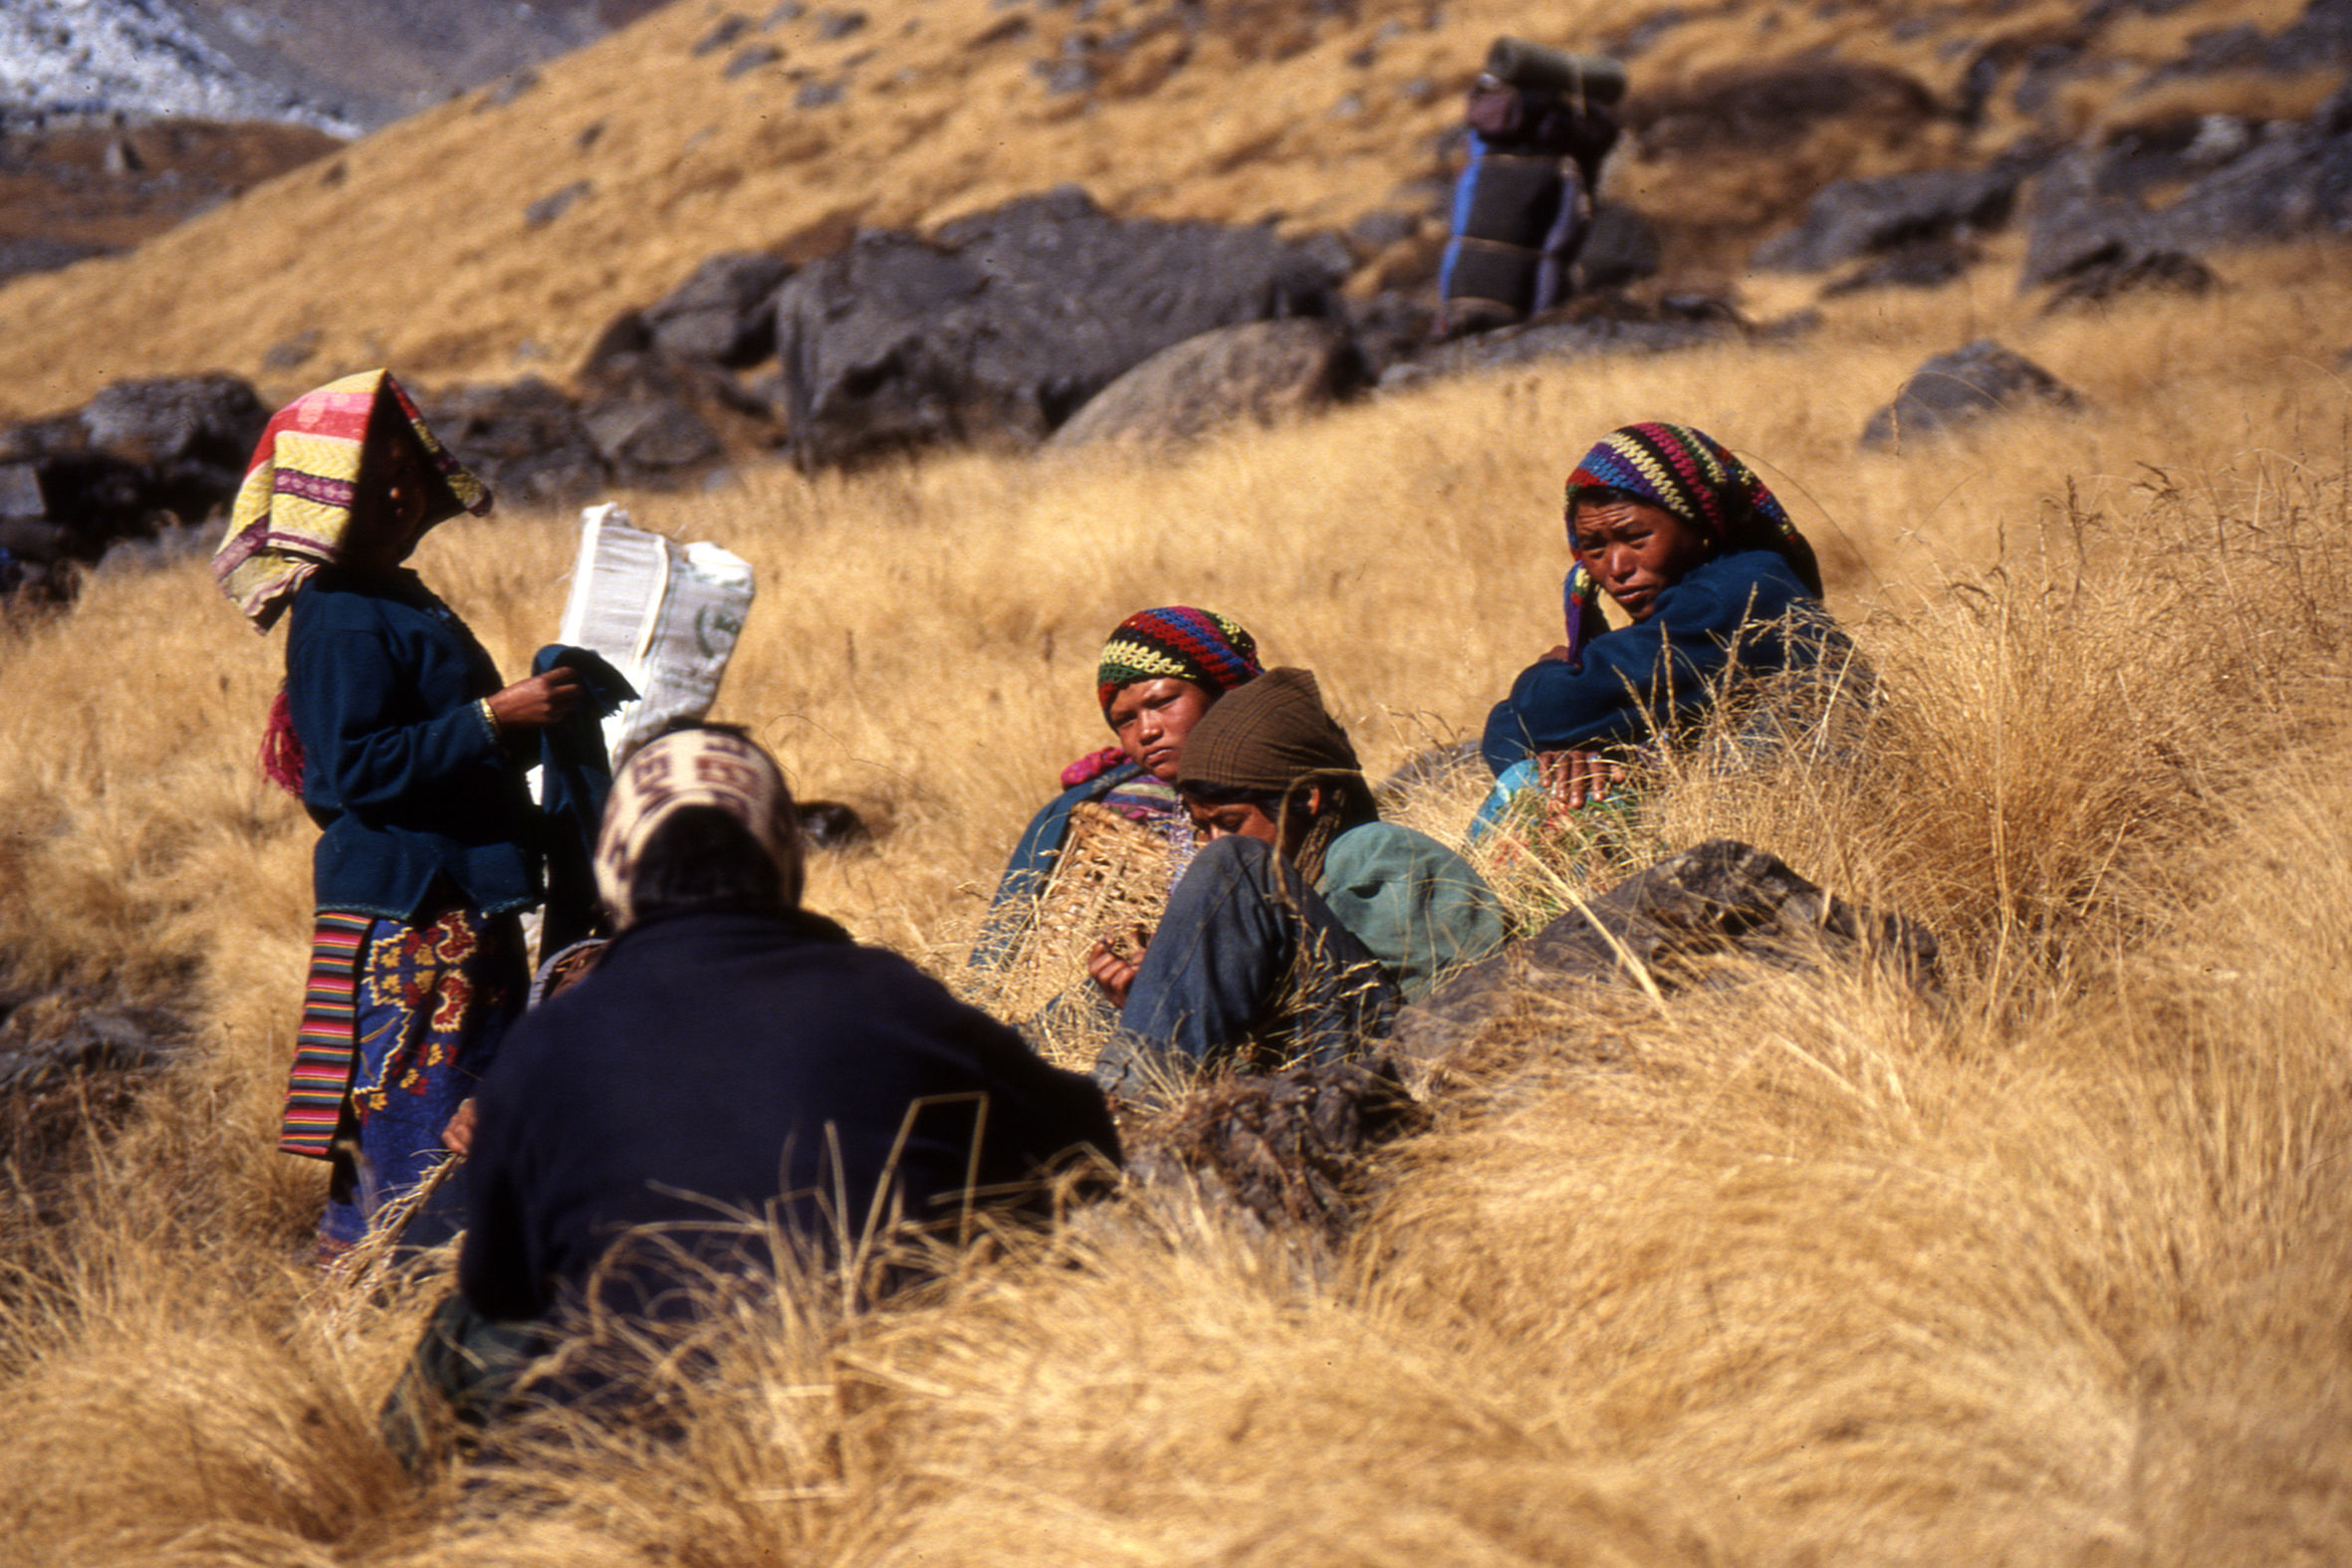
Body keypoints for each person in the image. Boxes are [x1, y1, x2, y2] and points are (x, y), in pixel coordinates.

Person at [454, 726, 1121, 1339]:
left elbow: (499, 1290)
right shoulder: (889, 997)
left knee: (456, 1332)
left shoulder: (542, 1046)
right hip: (888, 1397)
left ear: (614, 871)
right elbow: (1085, 1144)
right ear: (785, 860)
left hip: (625, 1442)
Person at [210, 368, 585, 1265]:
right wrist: (500, 716)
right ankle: (390, 1282)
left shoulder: (399, 598)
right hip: (413, 913)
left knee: (463, 1099)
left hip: (459, 895)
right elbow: (359, 768)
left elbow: (452, 744)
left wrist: (543, 721)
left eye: (404, 471)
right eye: (370, 480)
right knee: (420, 1111)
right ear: (323, 503)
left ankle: (437, 1268)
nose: (397, 491)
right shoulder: (339, 614)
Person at [1090, 668, 1509, 1099]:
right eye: (1204, 828)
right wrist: (1163, 1004)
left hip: (1396, 1080)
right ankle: (1134, 1091)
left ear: (1307, 798)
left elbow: (1444, 1025)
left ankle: (1124, 1106)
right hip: (1325, 1086)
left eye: (1230, 822)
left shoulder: (1376, 854)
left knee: (1233, 863)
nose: (1212, 843)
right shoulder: (1294, 897)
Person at [1479, 422, 1837, 828]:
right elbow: (1508, 726)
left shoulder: (1738, 594)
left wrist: (1547, 669)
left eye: (1636, 537)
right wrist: (1562, 757)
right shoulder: (1694, 604)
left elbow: (1549, 711)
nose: (1617, 568)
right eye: (1594, 548)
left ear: (1699, 523)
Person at [971, 605, 1264, 969]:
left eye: (1162, 702)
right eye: (1124, 720)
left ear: (1222, 692)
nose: (1147, 731)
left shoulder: (1282, 792)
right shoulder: (1129, 808)